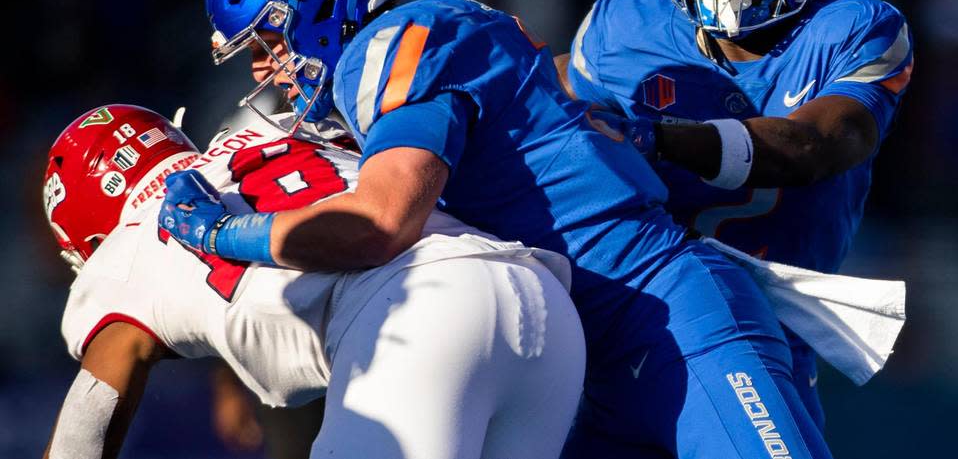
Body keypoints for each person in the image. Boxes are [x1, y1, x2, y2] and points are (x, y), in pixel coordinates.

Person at [162, 0, 842, 458]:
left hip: (667, 319)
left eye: (269, 42)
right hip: (596, 362)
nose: (264, 69)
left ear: (307, 4)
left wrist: (226, 232)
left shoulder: (391, 48)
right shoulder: (395, 66)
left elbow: (377, 223)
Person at [554, 0, 915, 426]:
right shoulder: (622, 23)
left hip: (760, 337)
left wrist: (657, 137)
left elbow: (812, 147)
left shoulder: (855, 30)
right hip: (615, 323)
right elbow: (533, 111)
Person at [41, 104, 584, 459]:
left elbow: (86, 425)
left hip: (421, 317)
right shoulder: (271, 128)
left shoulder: (125, 247)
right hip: (537, 296)